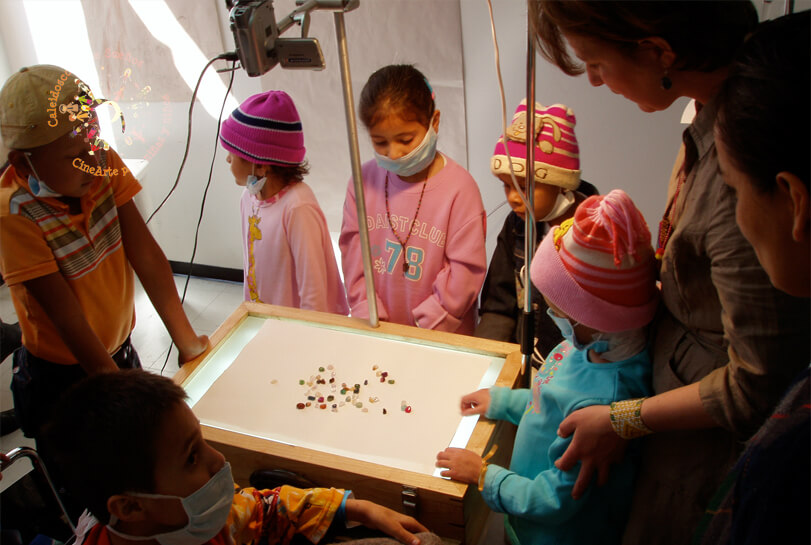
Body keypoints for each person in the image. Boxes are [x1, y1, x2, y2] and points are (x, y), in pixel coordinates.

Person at [528, 2, 811, 543]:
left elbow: (758, 384)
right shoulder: (711, 117)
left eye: (595, 62)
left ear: (658, 51)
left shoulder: (744, 158)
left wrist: (622, 419)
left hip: (705, 466)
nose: (593, 79)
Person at [437, 190, 659, 545]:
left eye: (560, 310)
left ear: (594, 317)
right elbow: (547, 401)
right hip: (523, 522)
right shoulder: (580, 345)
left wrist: (484, 476)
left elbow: (554, 500)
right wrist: (501, 401)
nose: (555, 317)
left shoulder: (603, 404)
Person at [0, 65, 208, 443]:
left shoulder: (100, 163)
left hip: (117, 351)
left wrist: (187, 342)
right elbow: (67, 318)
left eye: (95, 140)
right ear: (21, 163)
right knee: (96, 477)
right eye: (75, 155)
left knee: (141, 453)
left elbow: (144, 253)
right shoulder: (13, 215)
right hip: (63, 376)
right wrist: (126, 398)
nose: (93, 160)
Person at [41, 369, 439, 545]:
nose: (218, 461)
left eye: (203, 442)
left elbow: (259, 510)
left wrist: (358, 508)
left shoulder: (199, 524)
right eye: (192, 458)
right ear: (129, 506)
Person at [696, 11, 810, 544]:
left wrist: (623, 418)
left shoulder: (790, 462)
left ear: (793, 201)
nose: (736, 217)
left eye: (735, 191)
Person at [339, 65, 487, 334]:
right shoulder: (363, 181)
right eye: (380, 142)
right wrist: (366, 311)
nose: (393, 153)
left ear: (434, 122)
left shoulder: (460, 190)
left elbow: (465, 272)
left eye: (405, 140)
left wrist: (424, 326)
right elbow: (352, 254)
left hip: (441, 338)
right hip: (378, 329)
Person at [475, 99, 598, 358]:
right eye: (507, 186)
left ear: (561, 184)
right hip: (523, 362)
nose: (513, 198)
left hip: (576, 365)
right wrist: (486, 361)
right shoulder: (515, 226)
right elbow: (498, 307)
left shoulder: (596, 232)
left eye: (524, 186)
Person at [219, 90, 348, 315]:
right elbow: (251, 270)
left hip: (301, 329)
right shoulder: (249, 198)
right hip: (267, 320)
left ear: (260, 165)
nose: (227, 159)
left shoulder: (297, 207)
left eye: (232, 152)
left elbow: (313, 290)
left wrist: (307, 337)